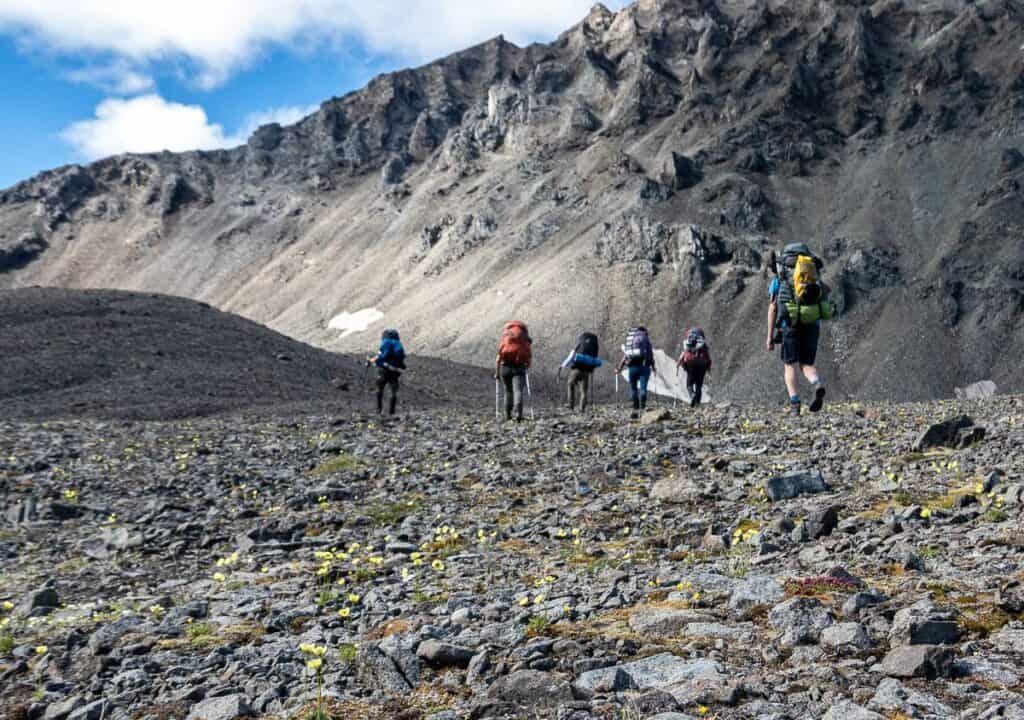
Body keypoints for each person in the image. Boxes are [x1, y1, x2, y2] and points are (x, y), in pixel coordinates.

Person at [766, 243, 833, 416]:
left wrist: (770, 336)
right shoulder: (813, 278)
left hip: (790, 325)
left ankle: (795, 404)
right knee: (807, 364)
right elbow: (826, 295)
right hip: (812, 324)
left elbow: (773, 308)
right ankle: (816, 383)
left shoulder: (780, 280)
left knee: (790, 365)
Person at [495, 320, 532, 422]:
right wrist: (526, 366)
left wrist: (497, 373)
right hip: (519, 367)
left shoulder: (506, 337)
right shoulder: (524, 339)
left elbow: (498, 358)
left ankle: (508, 415)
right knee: (518, 391)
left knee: (508, 391)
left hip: (505, 368)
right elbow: (529, 356)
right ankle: (519, 415)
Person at [615, 326, 655, 419]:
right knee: (643, 387)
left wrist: (619, 368)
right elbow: (650, 355)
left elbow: (626, 356)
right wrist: (653, 367)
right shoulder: (646, 340)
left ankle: (635, 408)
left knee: (633, 388)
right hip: (645, 367)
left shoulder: (631, 339)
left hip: (632, 368)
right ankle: (642, 407)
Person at [560, 332, 602, 413]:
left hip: (577, 370)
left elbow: (571, 356)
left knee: (570, 384)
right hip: (586, 372)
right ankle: (582, 409)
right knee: (583, 391)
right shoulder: (592, 348)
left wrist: (562, 366)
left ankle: (570, 404)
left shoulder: (579, 346)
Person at [368, 329, 406, 415]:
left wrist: (371, 361)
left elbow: (380, 356)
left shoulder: (385, 343)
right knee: (393, 391)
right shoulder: (397, 344)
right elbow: (402, 357)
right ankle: (391, 412)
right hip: (395, 371)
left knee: (379, 389)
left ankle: (378, 410)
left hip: (383, 370)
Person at [676, 327, 711, 408]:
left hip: (690, 364)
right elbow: (708, 359)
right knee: (699, 385)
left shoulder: (688, 342)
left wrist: (678, 366)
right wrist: (709, 371)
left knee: (689, 384)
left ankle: (692, 395)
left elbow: (683, 355)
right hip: (702, 364)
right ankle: (697, 404)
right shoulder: (703, 344)